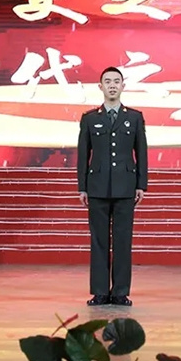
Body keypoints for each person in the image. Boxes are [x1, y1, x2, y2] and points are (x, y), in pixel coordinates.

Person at [77, 66, 148, 306]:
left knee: (122, 241)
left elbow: (141, 152)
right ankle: (99, 291)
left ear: (123, 86)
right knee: (98, 241)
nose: (112, 85)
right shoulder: (90, 118)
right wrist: (82, 187)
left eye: (116, 81)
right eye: (107, 81)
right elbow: (83, 154)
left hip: (126, 187)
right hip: (97, 187)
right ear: (100, 87)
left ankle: (120, 292)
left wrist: (141, 184)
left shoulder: (134, 117)